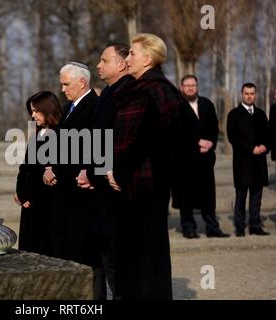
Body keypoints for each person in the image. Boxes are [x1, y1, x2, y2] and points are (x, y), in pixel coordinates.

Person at [106, 33, 199, 300]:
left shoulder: (159, 88)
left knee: (148, 254)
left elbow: (150, 138)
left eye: (133, 54)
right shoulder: (130, 88)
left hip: (148, 184)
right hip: (128, 182)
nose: (128, 58)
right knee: (129, 253)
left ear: (147, 59)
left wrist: (120, 171)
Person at [76, 43, 133, 300]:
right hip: (100, 186)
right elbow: (97, 138)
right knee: (106, 256)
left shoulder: (127, 92)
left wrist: (95, 173)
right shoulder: (109, 92)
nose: (98, 65)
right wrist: (88, 171)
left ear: (121, 64)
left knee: (118, 259)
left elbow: (118, 140)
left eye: (104, 60)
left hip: (116, 188)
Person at [42, 62, 98, 281]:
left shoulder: (95, 106)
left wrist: (60, 170)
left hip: (80, 189)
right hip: (64, 189)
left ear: (82, 82)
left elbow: (91, 147)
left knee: (85, 253)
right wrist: (49, 167)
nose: (62, 90)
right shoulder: (67, 109)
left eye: (66, 84)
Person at [172, 75, 230, 239]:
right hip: (184, 159)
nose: (190, 88)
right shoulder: (176, 106)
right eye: (187, 86)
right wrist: (197, 142)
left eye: (193, 85)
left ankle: (212, 228)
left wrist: (211, 142)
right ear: (181, 87)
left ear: (197, 87)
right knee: (186, 196)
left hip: (205, 160)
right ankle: (189, 228)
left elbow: (213, 127)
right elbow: (176, 131)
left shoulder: (207, 104)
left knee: (208, 196)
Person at [15, 91, 63, 255]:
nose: (33, 115)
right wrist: (20, 192)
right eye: (32, 112)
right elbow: (26, 166)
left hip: (44, 202)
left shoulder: (59, 133)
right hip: (29, 200)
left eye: (37, 111)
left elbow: (44, 170)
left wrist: (27, 194)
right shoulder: (37, 133)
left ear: (48, 109)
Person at [227, 83, 270, 237]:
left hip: (259, 162)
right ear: (241, 94)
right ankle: (240, 227)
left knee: (257, 196)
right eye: (246, 93)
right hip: (242, 162)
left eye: (252, 93)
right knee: (241, 196)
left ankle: (255, 226)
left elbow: (268, 134)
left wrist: (265, 146)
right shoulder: (234, 114)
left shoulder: (261, 114)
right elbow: (233, 137)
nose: (249, 96)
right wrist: (251, 148)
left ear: (256, 95)